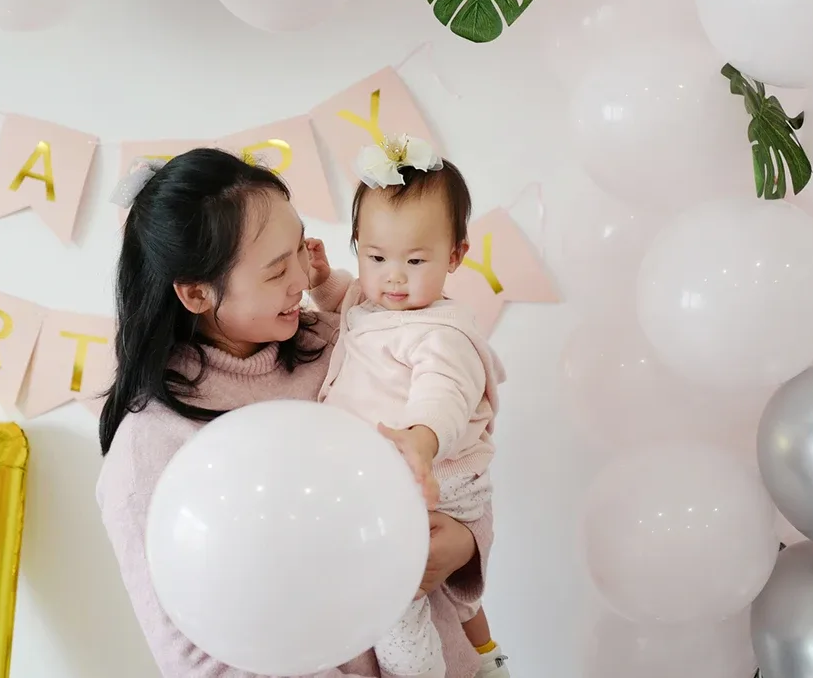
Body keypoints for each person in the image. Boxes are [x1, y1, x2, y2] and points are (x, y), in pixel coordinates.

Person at [95, 148, 494, 678]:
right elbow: (199, 657)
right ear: (195, 293)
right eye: (277, 270)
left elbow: (463, 456)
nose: (304, 279)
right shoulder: (151, 448)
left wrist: (463, 543)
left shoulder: (344, 341)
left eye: (300, 252)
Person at [305, 135, 509, 678]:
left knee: (395, 600)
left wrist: (420, 438)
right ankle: (488, 658)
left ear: (456, 255)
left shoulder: (442, 333)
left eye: (415, 260)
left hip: (435, 471)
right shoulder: (368, 300)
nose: (393, 276)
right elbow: (344, 304)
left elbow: (442, 393)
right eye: (375, 257)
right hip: (407, 471)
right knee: (456, 597)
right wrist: (324, 281)